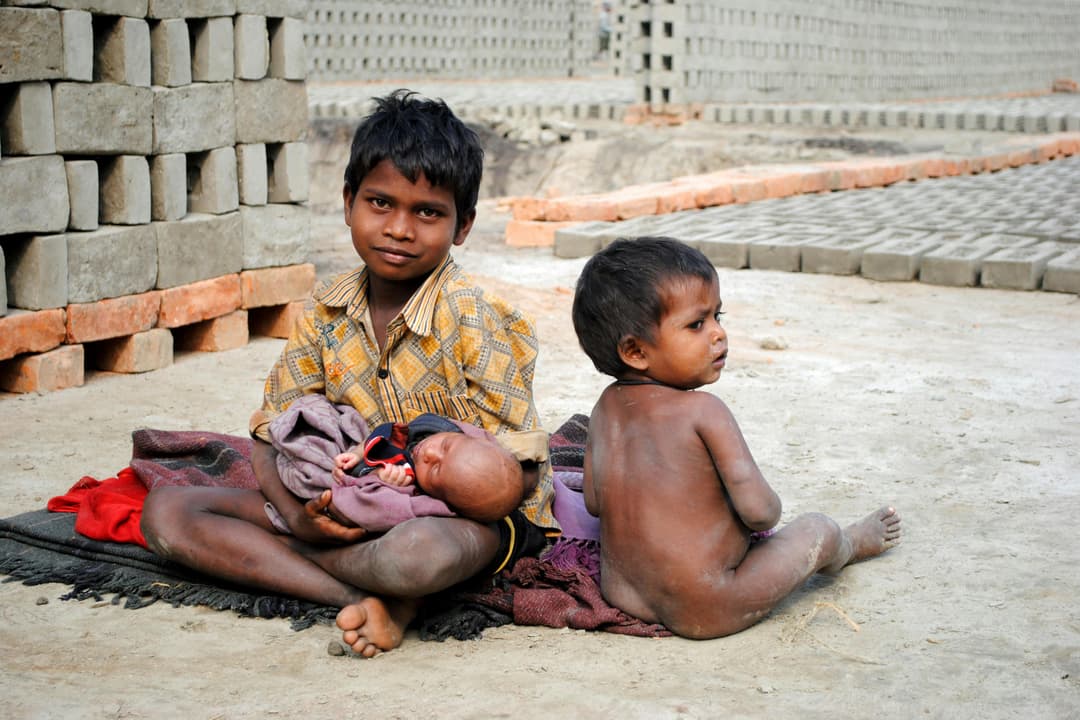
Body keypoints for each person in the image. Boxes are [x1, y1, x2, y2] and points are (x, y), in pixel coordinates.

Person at [141, 90, 558, 657]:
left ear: (463, 226)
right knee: (168, 512)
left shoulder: (474, 319)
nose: (399, 229)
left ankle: (389, 586)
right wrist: (300, 517)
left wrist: (427, 496)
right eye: (380, 203)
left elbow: (521, 474)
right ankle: (371, 596)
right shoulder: (327, 312)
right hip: (335, 509)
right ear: (348, 203)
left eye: (427, 212)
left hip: (451, 522)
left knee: (417, 556)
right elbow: (272, 429)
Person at [570, 237, 902, 639]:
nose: (718, 334)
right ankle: (848, 545)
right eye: (696, 324)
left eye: (717, 317)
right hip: (708, 604)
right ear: (636, 352)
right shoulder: (704, 410)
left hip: (623, 594)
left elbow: (593, 501)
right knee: (817, 528)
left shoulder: (604, 408)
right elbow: (762, 513)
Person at [265, 393, 526, 532]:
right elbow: (388, 436)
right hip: (360, 448)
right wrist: (358, 451)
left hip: (350, 480)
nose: (429, 453)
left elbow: (366, 507)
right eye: (446, 446)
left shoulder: (412, 493)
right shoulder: (455, 433)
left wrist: (384, 483)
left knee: (308, 461)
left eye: (434, 470)